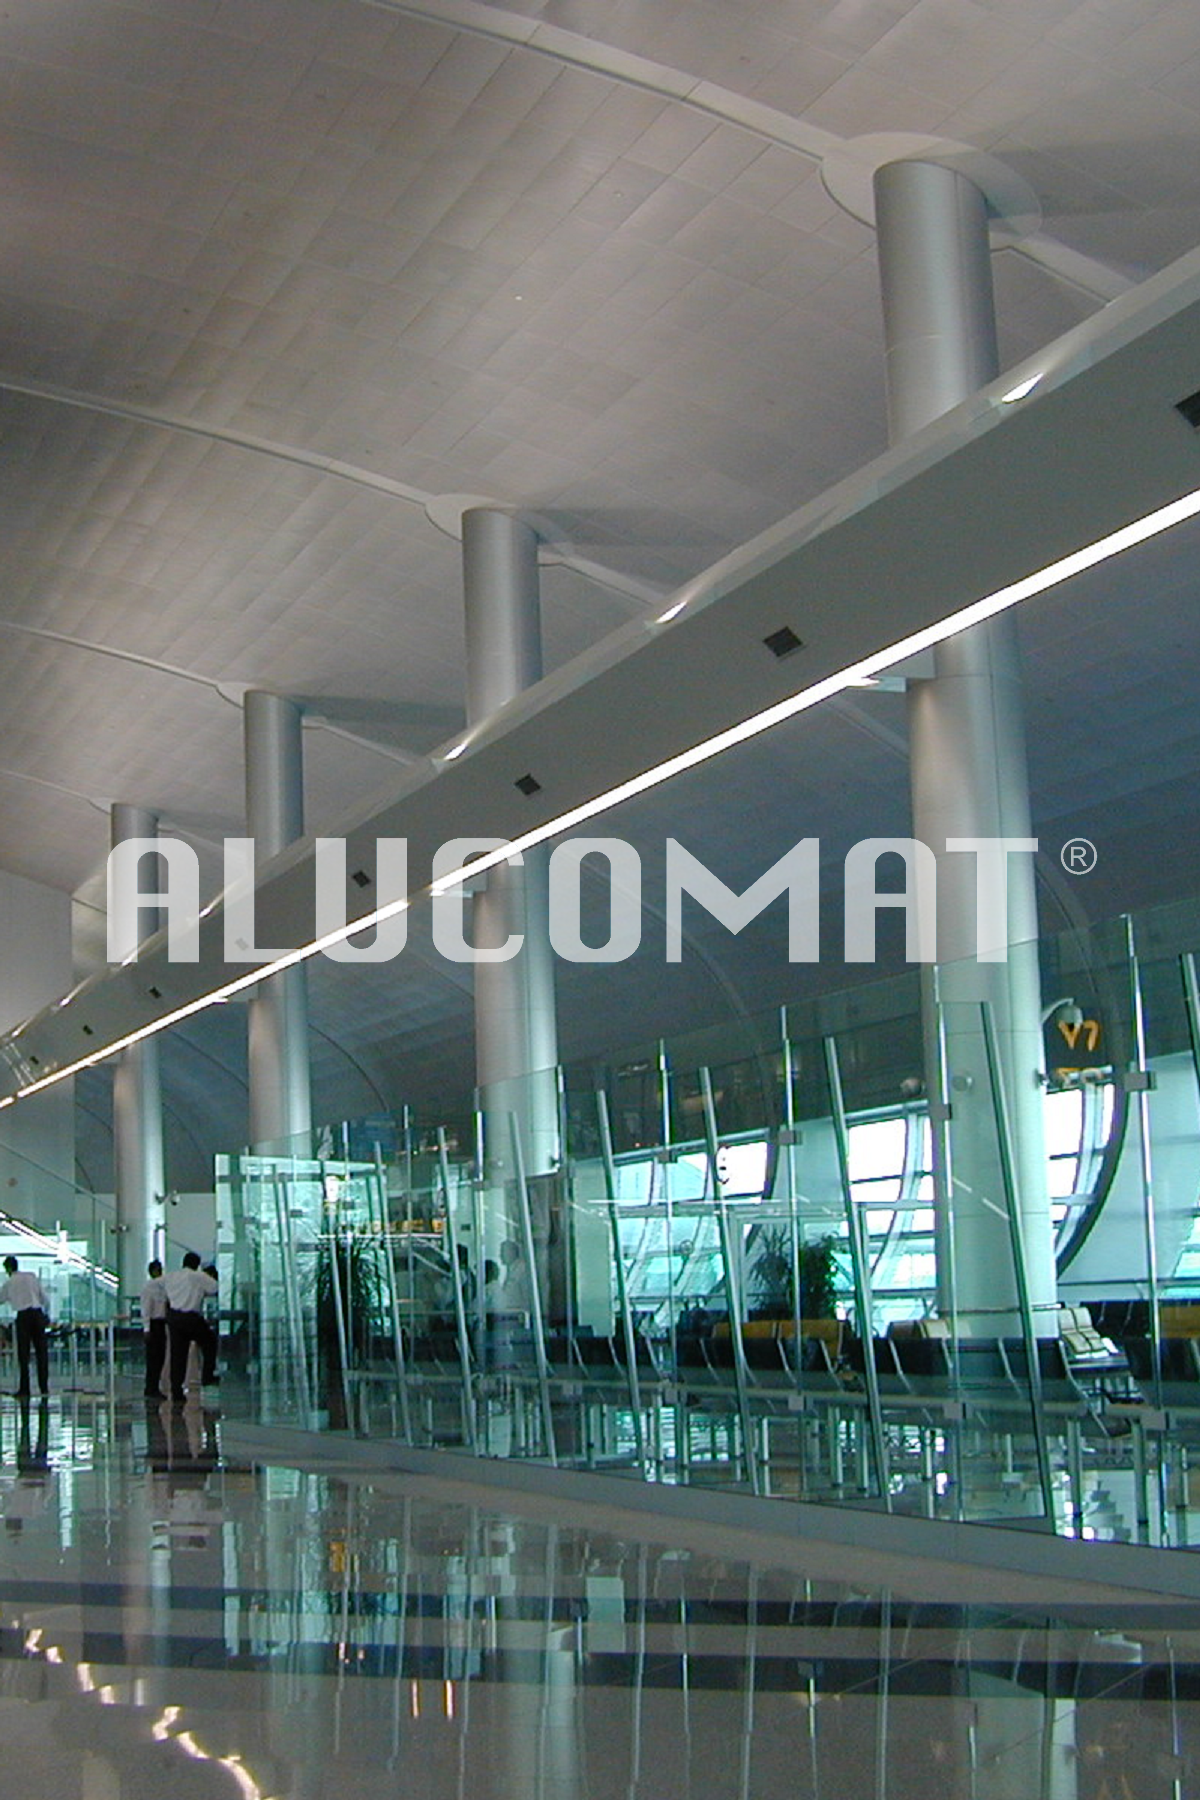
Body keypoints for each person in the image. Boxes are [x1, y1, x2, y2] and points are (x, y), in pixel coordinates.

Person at [163, 1252, 218, 1402]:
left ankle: (176, 1389)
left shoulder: (171, 1276)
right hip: (191, 1317)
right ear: (196, 1264)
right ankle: (207, 1375)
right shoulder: (197, 1276)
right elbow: (214, 1288)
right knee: (210, 1342)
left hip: (174, 1317)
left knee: (178, 1354)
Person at [0, 1255, 50, 1397]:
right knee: (42, 1353)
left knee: (24, 1355)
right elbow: (44, 1298)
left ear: (8, 1268)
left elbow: (1, 1298)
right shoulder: (31, 1276)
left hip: (24, 1318)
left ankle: (25, 1389)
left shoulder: (10, 1283)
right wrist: (46, 1315)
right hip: (38, 1314)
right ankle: (44, 1388)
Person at [141, 1259, 168, 1398]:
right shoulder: (149, 1287)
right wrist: (146, 1328)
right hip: (153, 1324)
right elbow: (146, 1309)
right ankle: (151, 1387)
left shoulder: (163, 1287)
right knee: (153, 1358)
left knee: (161, 1357)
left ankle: (155, 1386)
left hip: (161, 1323)